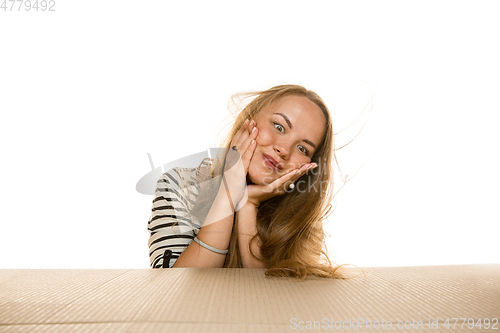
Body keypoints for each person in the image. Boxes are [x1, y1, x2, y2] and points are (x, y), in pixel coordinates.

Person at [148, 84, 350, 279]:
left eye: (303, 149)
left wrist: (248, 203)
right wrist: (228, 191)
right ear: (248, 119)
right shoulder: (180, 185)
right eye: (279, 127)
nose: (284, 150)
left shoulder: (299, 215)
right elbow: (173, 292)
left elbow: (267, 300)